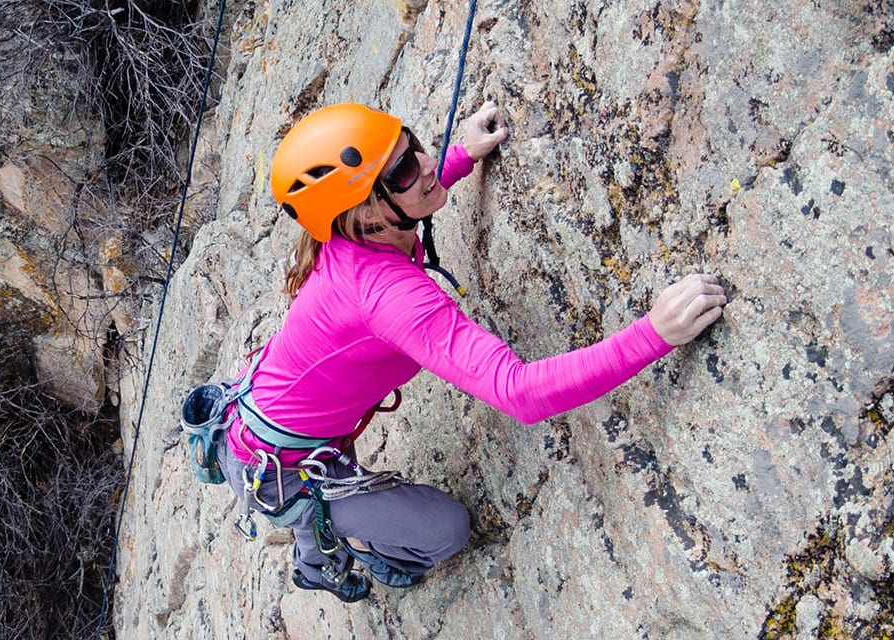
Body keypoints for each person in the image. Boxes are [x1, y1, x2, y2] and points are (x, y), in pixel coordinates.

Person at [212, 101, 726, 603]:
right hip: (283, 468)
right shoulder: (387, 296)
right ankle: (330, 545)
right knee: (446, 530)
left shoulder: (352, 234)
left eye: (414, 145)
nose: (429, 162)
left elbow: (404, 196)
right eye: (408, 168)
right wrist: (654, 333)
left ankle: (323, 514)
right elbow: (520, 393)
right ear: (365, 211)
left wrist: (462, 155)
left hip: (279, 426)